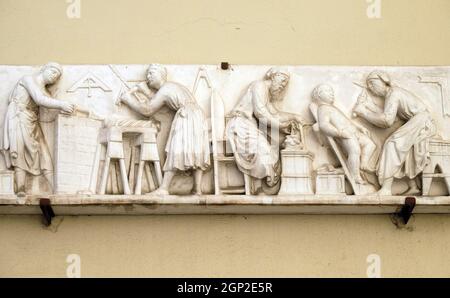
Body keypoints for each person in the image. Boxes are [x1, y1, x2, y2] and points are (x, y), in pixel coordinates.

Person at [119, 64, 210, 195]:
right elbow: (161, 102)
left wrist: (128, 99)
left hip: (186, 116)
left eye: (151, 73)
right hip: (197, 115)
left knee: (176, 149)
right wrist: (144, 91)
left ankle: (164, 189)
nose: (148, 77)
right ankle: (197, 189)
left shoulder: (166, 89)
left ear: (161, 75)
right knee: (196, 149)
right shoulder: (173, 87)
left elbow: (148, 110)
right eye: (147, 74)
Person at [353, 70, 437, 195]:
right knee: (404, 147)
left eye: (372, 83)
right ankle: (413, 186)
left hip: (422, 121)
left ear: (384, 81)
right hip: (418, 121)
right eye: (368, 85)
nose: (371, 88)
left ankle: (386, 189)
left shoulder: (394, 93)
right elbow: (394, 118)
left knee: (392, 144)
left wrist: (363, 112)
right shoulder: (392, 94)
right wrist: (367, 107)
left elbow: (387, 121)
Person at [226, 67, 303, 194]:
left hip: (248, 126)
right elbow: (261, 113)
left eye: (285, 83)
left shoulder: (265, 94)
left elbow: (274, 113)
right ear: (273, 76)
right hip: (240, 125)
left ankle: (263, 184)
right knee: (264, 150)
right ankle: (265, 184)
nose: (283, 86)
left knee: (270, 151)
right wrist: (280, 125)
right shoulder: (259, 86)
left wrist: (293, 116)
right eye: (282, 80)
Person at [2, 62, 75, 196]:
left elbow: (49, 108)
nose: (54, 77)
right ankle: (20, 189)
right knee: (20, 152)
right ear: (44, 69)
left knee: (44, 154)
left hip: (32, 122)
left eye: (57, 76)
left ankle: (56, 190)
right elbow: (39, 99)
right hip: (19, 118)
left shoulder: (45, 91)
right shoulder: (28, 79)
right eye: (53, 72)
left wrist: (68, 110)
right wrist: (61, 104)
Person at [312, 84, 376, 184]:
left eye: (332, 91)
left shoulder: (333, 107)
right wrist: (339, 133)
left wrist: (360, 127)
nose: (331, 93)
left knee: (370, 144)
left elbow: (347, 120)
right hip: (345, 133)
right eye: (328, 91)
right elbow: (324, 125)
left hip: (354, 131)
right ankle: (356, 177)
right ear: (319, 95)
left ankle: (362, 164)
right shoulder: (323, 108)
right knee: (355, 151)